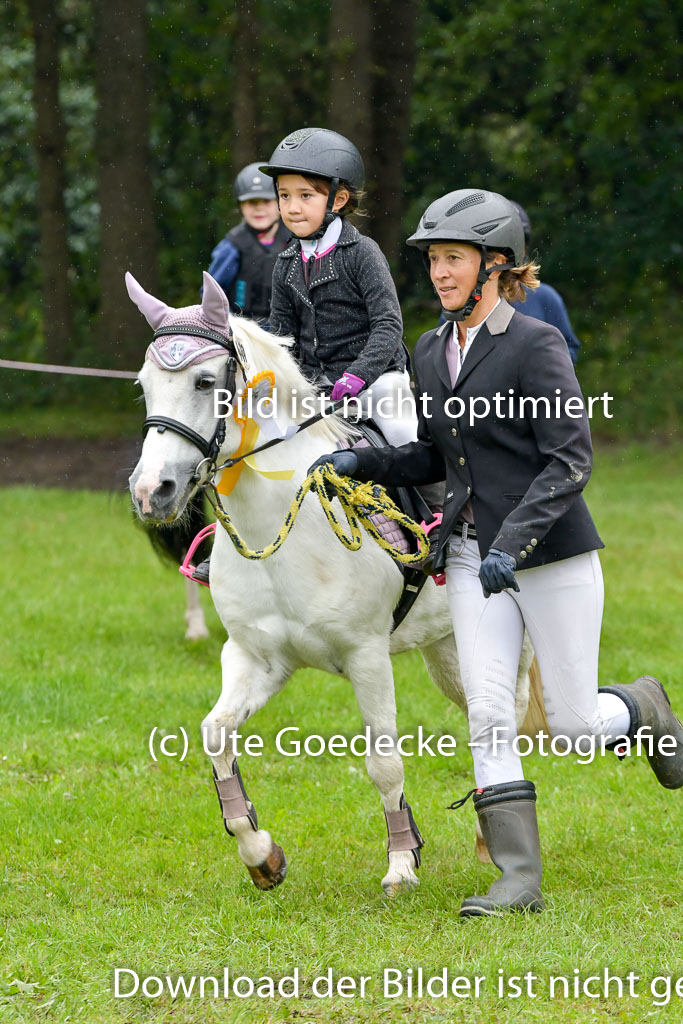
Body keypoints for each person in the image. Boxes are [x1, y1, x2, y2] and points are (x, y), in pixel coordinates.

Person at [310, 188, 683, 917]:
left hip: (550, 558)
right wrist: (366, 463)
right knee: (488, 710)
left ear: (496, 264)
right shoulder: (428, 350)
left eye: (452, 258)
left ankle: (640, 707)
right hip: (468, 559)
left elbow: (569, 460)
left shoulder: (535, 343)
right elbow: (436, 456)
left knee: (571, 727)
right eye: (433, 260)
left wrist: (510, 543)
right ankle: (516, 879)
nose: (438, 273)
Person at [205, 162, 291, 321]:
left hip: (285, 326)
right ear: (241, 206)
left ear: (280, 203)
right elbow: (212, 294)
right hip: (243, 327)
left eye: (266, 201)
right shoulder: (232, 246)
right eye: (252, 202)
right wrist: (230, 323)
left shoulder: (295, 241)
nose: (259, 208)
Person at [508, 201, 581, 363]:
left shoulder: (545, 297)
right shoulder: (469, 299)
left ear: (525, 248)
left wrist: (541, 360)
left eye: (515, 243)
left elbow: (569, 348)